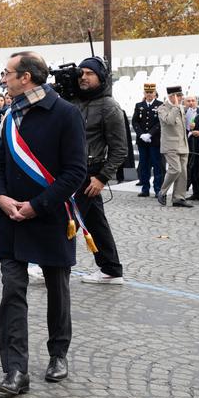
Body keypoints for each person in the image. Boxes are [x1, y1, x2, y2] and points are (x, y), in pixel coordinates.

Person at [0, 51, 86, 397]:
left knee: (57, 290)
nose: (4, 78)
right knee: (12, 291)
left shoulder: (65, 114)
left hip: (50, 218)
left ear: (25, 77)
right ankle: (15, 369)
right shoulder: (10, 114)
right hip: (12, 219)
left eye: (8, 73)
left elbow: (75, 172)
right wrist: (0, 197)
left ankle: (58, 354)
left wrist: (37, 206)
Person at [70, 58, 127, 284]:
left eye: (89, 73)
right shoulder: (73, 100)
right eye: (81, 73)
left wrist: (102, 178)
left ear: (101, 77)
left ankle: (49, 265)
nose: (83, 77)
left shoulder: (109, 106)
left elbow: (120, 149)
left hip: (89, 174)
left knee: (65, 218)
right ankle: (111, 269)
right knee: (95, 222)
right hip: (73, 170)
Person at [157, 86, 191, 207]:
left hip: (183, 144)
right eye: (179, 95)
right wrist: (176, 107)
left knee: (183, 173)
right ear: (172, 96)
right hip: (170, 145)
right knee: (175, 169)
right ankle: (162, 191)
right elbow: (170, 121)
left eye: (182, 95)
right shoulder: (162, 109)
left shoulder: (180, 107)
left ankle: (179, 198)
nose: (182, 98)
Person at [131, 83, 163, 198]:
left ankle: (158, 189)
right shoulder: (139, 105)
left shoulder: (160, 105)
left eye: (151, 92)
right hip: (142, 141)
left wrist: (150, 134)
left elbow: (160, 122)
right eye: (147, 93)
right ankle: (145, 188)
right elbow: (135, 121)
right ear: (144, 93)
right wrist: (141, 134)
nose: (149, 95)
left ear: (155, 93)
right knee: (144, 165)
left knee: (157, 165)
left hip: (154, 141)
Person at [184, 96, 199, 201]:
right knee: (189, 169)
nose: (191, 103)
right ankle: (196, 193)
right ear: (185, 102)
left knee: (198, 169)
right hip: (185, 144)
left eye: (193, 101)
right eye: (188, 101)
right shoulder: (182, 112)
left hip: (197, 144)